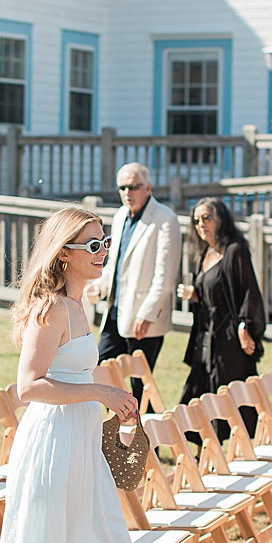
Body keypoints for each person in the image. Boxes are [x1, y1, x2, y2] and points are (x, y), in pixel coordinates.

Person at [0, 207, 156, 543]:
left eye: (105, 243)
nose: (102, 252)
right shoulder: (52, 310)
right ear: (64, 254)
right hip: (53, 445)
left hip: (81, 443)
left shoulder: (79, 305)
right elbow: (28, 386)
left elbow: (70, 371)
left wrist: (107, 398)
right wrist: (100, 390)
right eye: (93, 245)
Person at [91, 162, 182, 403]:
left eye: (133, 187)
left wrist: (148, 313)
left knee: (140, 387)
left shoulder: (165, 219)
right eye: (122, 188)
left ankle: (149, 439)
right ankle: (116, 437)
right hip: (115, 312)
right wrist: (99, 287)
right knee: (100, 373)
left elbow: (165, 274)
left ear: (148, 187)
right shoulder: (120, 216)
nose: (127, 193)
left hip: (144, 319)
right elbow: (114, 263)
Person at [177, 196, 267, 436]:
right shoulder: (205, 253)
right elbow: (211, 294)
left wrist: (245, 326)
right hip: (206, 338)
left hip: (228, 339)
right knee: (197, 393)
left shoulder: (234, 251)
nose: (201, 225)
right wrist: (194, 293)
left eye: (207, 218)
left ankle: (238, 449)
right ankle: (202, 448)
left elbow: (249, 290)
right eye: (196, 220)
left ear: (221, 219)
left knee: (233, 396)